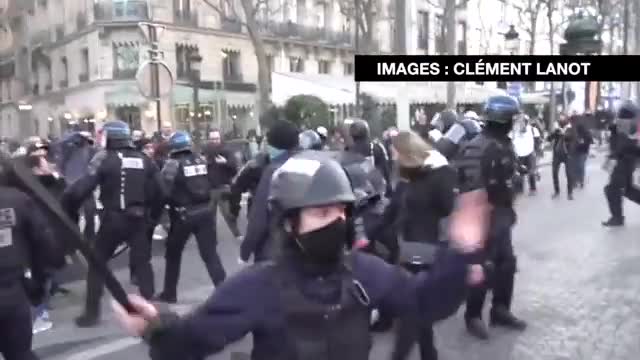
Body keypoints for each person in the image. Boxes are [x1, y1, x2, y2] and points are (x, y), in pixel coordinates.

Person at [111, 150, 490, 360]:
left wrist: (459, 252)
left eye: (341, 213)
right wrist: (156, 327)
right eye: (322, 213)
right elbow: (193, 339)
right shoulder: (257, 286)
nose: (336, 223)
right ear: (290, 222)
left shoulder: (366, 273)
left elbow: (423, 303)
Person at [62, 120, 160, 327]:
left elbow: (82, 188)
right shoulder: (144, 159)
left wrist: (68, 209)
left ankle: (91, 314)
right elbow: (159, 190)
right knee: (142, 264)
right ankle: (150, 310)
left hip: (114, 219)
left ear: (110, 137)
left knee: (97, 264)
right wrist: (151, 216)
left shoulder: (104, 157)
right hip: (139, 218)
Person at [456, 95, 527, 340]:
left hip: (502, 214)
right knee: (482, 266)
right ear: (503, 119)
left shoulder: (504, 143)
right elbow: (472, 189)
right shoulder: (477, 146)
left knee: (506, 264)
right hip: (483, 216)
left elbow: (509, 175)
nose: (513, 123)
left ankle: (500, 309)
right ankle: (473, 315)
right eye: (511, 118)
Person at [0, 155, 64, 359]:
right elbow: (44, 243)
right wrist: (40, 281)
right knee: (19, 352)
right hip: (11, 291)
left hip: (12, 287)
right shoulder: (17, 199)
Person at [155, 131, 227, 303]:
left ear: (173, 147)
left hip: (183, 215)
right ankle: (225, 292)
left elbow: (163, 190)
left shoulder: (172, 164)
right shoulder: (200, 160)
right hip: (205, 212)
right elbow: (212, 181)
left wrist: (157, 214)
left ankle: (170, 293)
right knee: (210, 255)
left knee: (173, 254)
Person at [239, 120, 300, 263]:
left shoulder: (274, 171)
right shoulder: (310, 162)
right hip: (307, 246)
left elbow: (259, 218)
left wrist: (245, 251)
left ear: (276, 145)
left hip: (275, 249)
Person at [602, 100, 640, 227]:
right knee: (628, 189)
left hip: (625, 159)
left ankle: (617, 218)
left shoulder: (627, 125)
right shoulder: (627, 124)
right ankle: (617, 217)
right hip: (628, 159)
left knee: (612, 189)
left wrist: (613, 156)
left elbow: (624, 144)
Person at [202, 129, 242, 240]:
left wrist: (225, 163)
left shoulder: (227, 150)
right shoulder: (205, 151)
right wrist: (203, 163)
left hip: (223, 187)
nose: (214, 141)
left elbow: (235, 168)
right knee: (210, 216)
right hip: (209, 188)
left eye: (216, 138)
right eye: (212, 139)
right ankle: (211, 238)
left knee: (228, 214)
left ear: (220, 138)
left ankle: (237, 234)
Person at [346, 119, 392, 196]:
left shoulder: (348, 150)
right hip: (375, 190)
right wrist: (388, 189)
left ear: (351, 134)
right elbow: (384, 169)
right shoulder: (375, 148)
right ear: (367, 132)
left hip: (354, 191)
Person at [548, 114, 576, 200]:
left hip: (567, 154)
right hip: (557, 154)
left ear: (566, 120)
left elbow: (571, 137)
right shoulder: (557, 129)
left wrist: (563, 133)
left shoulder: (571, 128)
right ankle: (556, 191)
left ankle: (570, 193)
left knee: (569, 174)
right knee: (554, 173)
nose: (561, 120)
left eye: (563, 119)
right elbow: (549, 138)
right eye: (560, 119)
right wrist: (554, 132)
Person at [509, 115, 538, 195]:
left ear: (526, 122)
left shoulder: (533, 130)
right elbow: (509, 141)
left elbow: (537, 141)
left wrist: (537, 151)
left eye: (523, 122)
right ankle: (519, 189)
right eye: (520, 122)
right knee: (519, 173)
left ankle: (533, 189)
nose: (522, 124)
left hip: (530, 154)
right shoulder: (513, 131)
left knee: (531, 172)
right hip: (518, 155)